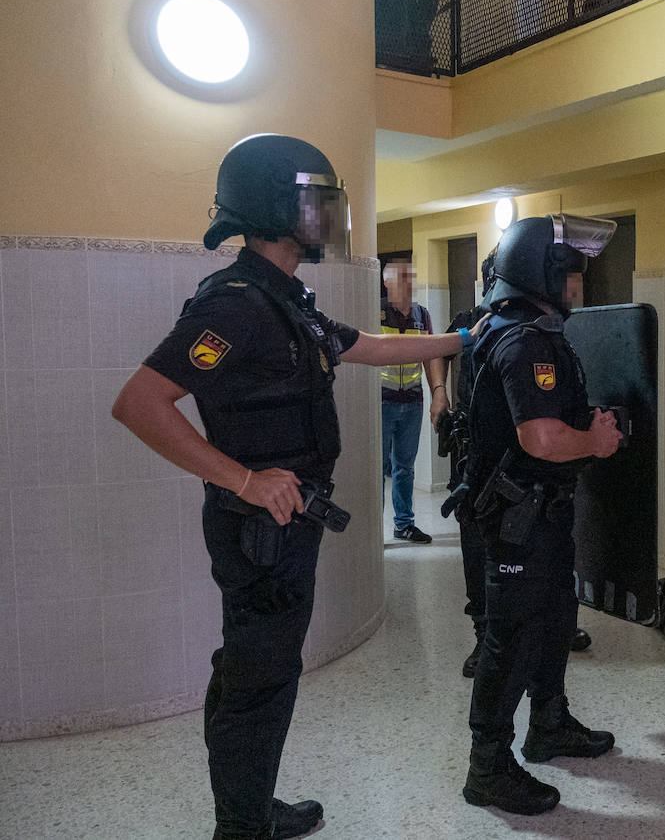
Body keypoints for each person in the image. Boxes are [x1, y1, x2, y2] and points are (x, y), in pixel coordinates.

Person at [111, 133, 467, 840]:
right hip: (259, 527)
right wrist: (242, 478)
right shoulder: (238, 305)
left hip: (287, 524)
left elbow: (369, 346)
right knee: (258, 677)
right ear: (277, 207)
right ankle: (240, 827)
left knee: (263, 671)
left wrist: (462, 341)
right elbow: (140, 403)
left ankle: (251, 805)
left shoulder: (286, 300)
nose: (329, 215)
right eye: (316, 200)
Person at [459, 214, 622, 815]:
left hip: (541, 513)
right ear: (543, 274)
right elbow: (542, 439)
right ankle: (488, 767)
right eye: (573, 275)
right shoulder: (525, 339)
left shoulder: (534, 328)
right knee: (512, 641)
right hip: (515, 521)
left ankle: (549, 725)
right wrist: (597, 442)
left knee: (553, 623)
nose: (580, 285)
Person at [440, 251, 593, 680]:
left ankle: (548, 642)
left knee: (543, 576)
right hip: (483, 458)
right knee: (483, 555)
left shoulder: (537, 328)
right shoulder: (482, 320)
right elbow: (442, 346)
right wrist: (439, 392)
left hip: (527, 466)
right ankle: (482, 632)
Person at [380, 257, 446, 543]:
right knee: (378, 468)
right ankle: (373, 531)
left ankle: (404, 524)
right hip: (381, 402)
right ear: (386, 282)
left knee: (404, 467)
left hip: (412, 402)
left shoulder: (422, 315)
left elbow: (432, 356)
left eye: (410, 277)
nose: (408, 283)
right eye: (402, 277)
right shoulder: (375, 312)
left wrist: (438, 393)